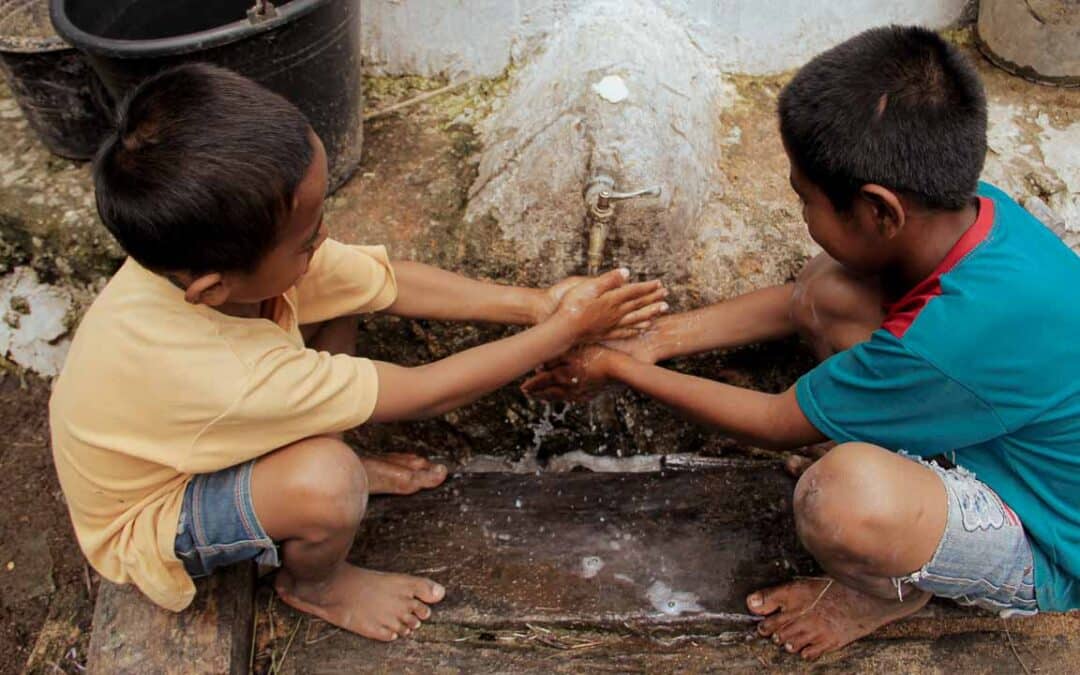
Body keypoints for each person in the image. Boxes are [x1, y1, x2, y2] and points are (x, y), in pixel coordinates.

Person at [49, 63, 668, 642]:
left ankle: (306, 475)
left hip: (196, 434)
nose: (323, 242)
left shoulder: (196, 268)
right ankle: (316, 583)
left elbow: (382, 280)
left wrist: (537, 305)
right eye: (305, 239)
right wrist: (561, 334)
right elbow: (429, 393)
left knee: (339, 294)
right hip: (157, 512)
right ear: (214, 287)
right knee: (327, 480)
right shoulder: (223, 373)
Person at [524, 25, 1080, 659]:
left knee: (838, 498)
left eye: (805, 199)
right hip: (1007, 433)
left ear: (879, 211)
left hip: (1050, 535)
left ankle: (885, 590)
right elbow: (801, 301)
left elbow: (772, 420)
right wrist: (651, 341)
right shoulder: (977, 212)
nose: (802, 215)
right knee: (830, 287)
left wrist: (620, 370)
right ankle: (915, 496)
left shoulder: (944, 341)